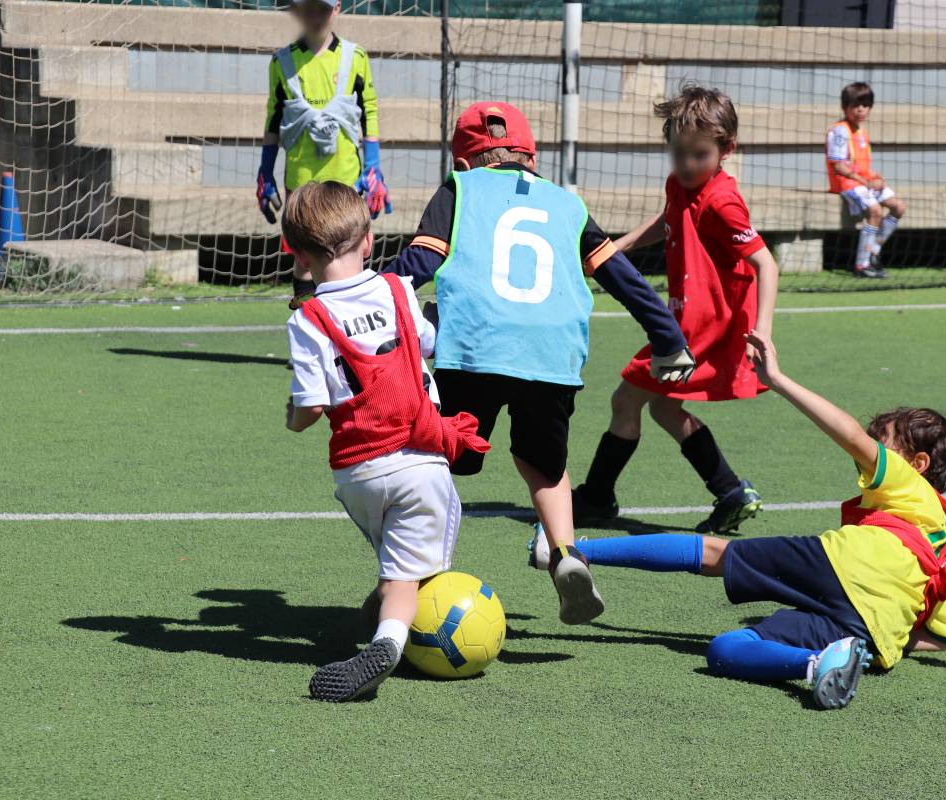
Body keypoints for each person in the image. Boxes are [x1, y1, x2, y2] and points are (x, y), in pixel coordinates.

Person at [530, 330, 946, 709]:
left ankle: (570, 548)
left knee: (713, 553)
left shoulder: (908, 483)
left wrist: (778, 378)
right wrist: (894, 634)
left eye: (883, 442)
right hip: (870, 634)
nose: (873, 446)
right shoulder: (942, 541)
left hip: (851, 567)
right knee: (726, 650)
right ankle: (818, 664)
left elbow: (847, 434)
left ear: (919, 463)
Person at [386, 101, 694, 626]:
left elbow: (420, 262)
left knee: (440, 457)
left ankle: (412, 578)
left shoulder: (459, 189)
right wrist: (668, 338)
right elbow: (619, 275)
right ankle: (566, 553)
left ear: (463, 162)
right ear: (531, 157)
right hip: (552, 354)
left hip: (475, 346)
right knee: (543, 464)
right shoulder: (566, 204)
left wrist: (361, 298)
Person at [283, 182, 487, 702]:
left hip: (357, 474)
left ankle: (379, 614)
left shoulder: (307, 318)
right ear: (369, 241)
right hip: (419, 458)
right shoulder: (397, 289)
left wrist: (292, 418)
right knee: (409, 577)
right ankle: (389, 646)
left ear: (299, 255)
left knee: (397, 561)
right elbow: (433, 343)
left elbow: (307, 409)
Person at [572, 86, 779, 536]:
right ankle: (730, 491)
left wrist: (763, 331)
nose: (687, 165)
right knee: (664, 407)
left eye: (699, 155)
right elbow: (670, 217)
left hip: (699, 327)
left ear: (727, 150)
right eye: (678, 153)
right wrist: (620, 246)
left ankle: (595, 497)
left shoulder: (723, 201)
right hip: (685, 318)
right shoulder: (681, 184)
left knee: (626, 398)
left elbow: (766, 263)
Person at [259, 0, 392, 309]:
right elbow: (273, 118)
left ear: (337, 9)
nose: (315, 16)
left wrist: (372, 165)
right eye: (308, 8)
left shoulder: (355, 57)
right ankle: (307, 328)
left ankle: (351, 339)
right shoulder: (282, 62)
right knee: (305, 259)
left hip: (346, 178)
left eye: (323, 8)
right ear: (296, 10)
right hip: (302, 179)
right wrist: (265, 171)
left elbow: (368, 111)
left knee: (351, 254)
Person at [826, 82, 906, 279]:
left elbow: (862, 166)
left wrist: (876, 178)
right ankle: (862, 264)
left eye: (865, 105)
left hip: (863, 182)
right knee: (875, 210)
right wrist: (864, 181)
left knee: (898, 207)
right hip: (847, 184)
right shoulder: (839, 131)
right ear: (845, 107)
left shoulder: (861, 132)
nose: (860, 109)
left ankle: (873, 250)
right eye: (855, 105)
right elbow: (838, 165)